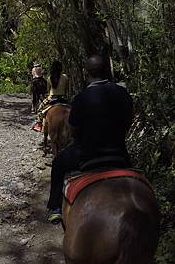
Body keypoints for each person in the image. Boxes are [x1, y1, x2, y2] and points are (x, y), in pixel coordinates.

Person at [46, 54, 133, 223]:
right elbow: (128, 122)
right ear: (107, 71)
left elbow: (73, 130)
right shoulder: (123, 93)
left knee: (58, 164)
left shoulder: (81, 98)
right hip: (120, 154)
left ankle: (55, 207)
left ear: (87, 73)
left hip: (87, 155)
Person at [35, 60, 69, 130]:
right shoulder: (65, 77)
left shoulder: (49, 78)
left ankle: (39, 124)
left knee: (40, 109)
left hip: (52, 98)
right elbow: (66, 88)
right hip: (62, 98)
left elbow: (48, 90)